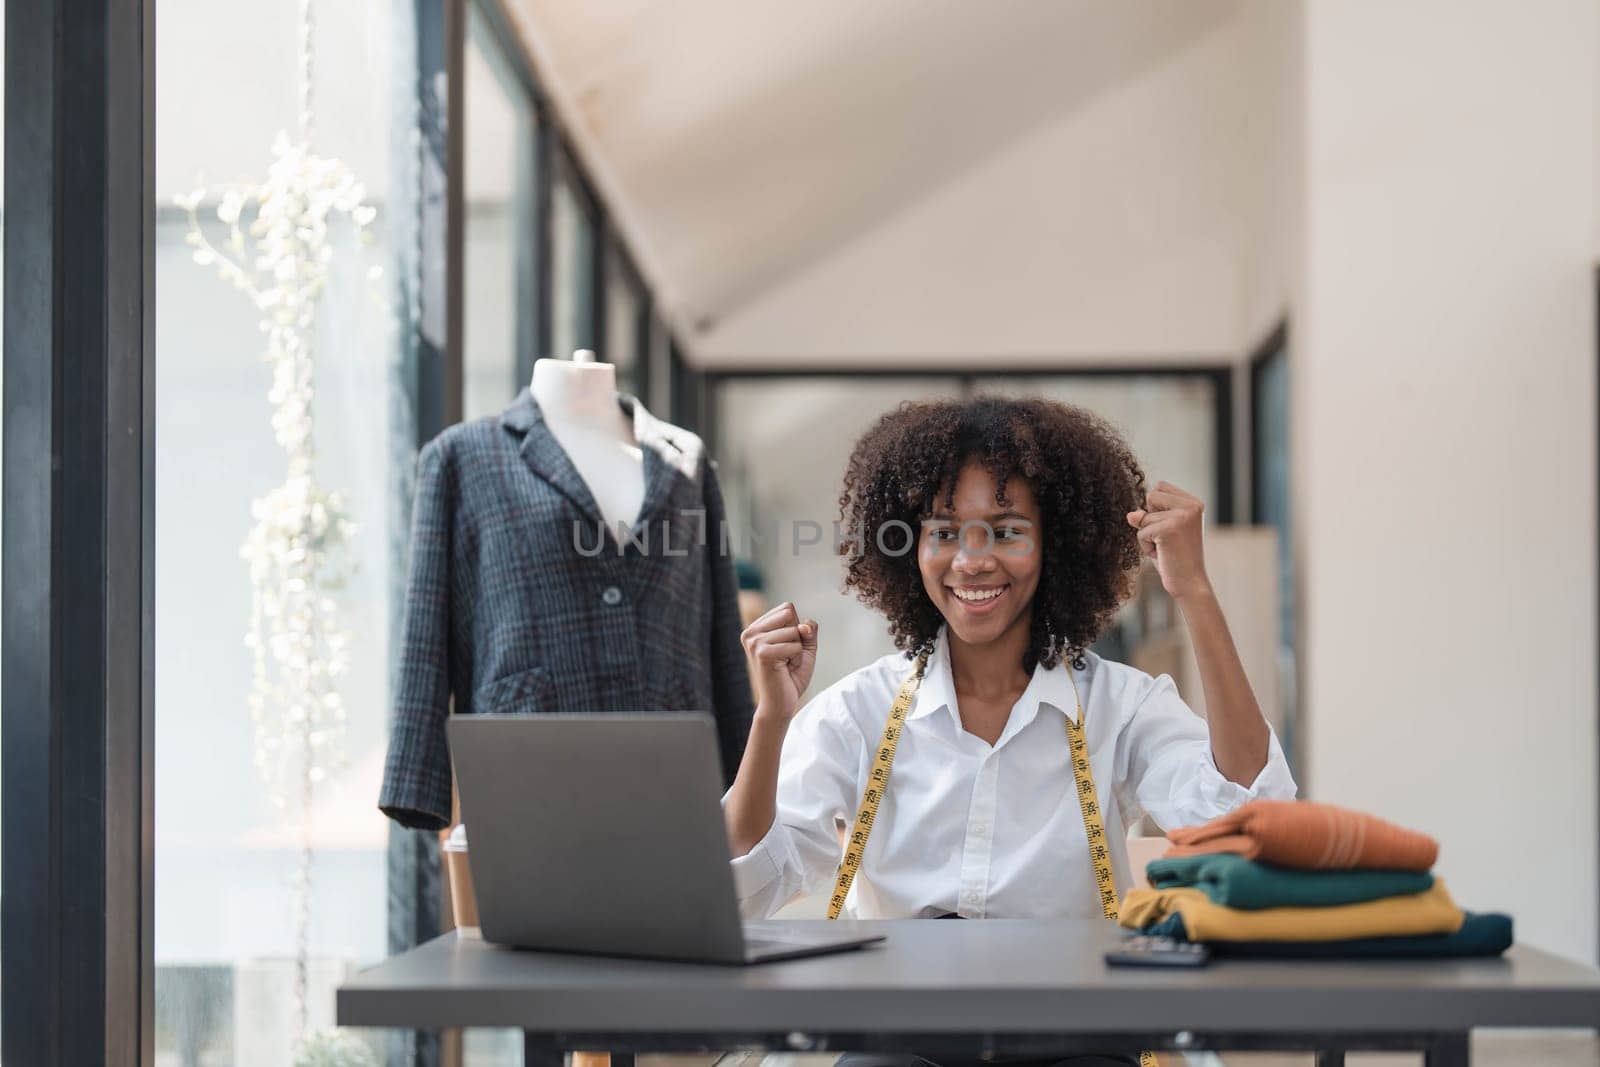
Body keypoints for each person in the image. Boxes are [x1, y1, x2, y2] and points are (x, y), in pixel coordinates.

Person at [724, 394, 1297, 924]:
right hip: (900, 1030)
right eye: (944, 532)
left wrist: (1194, 590)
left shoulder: (1118, 709)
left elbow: (1246, 820)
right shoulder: (858, 712)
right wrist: (771, 720)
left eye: (1006, 532)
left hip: (1073, 1028)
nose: (972, 562)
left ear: (1058, 545)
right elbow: (741, 889)